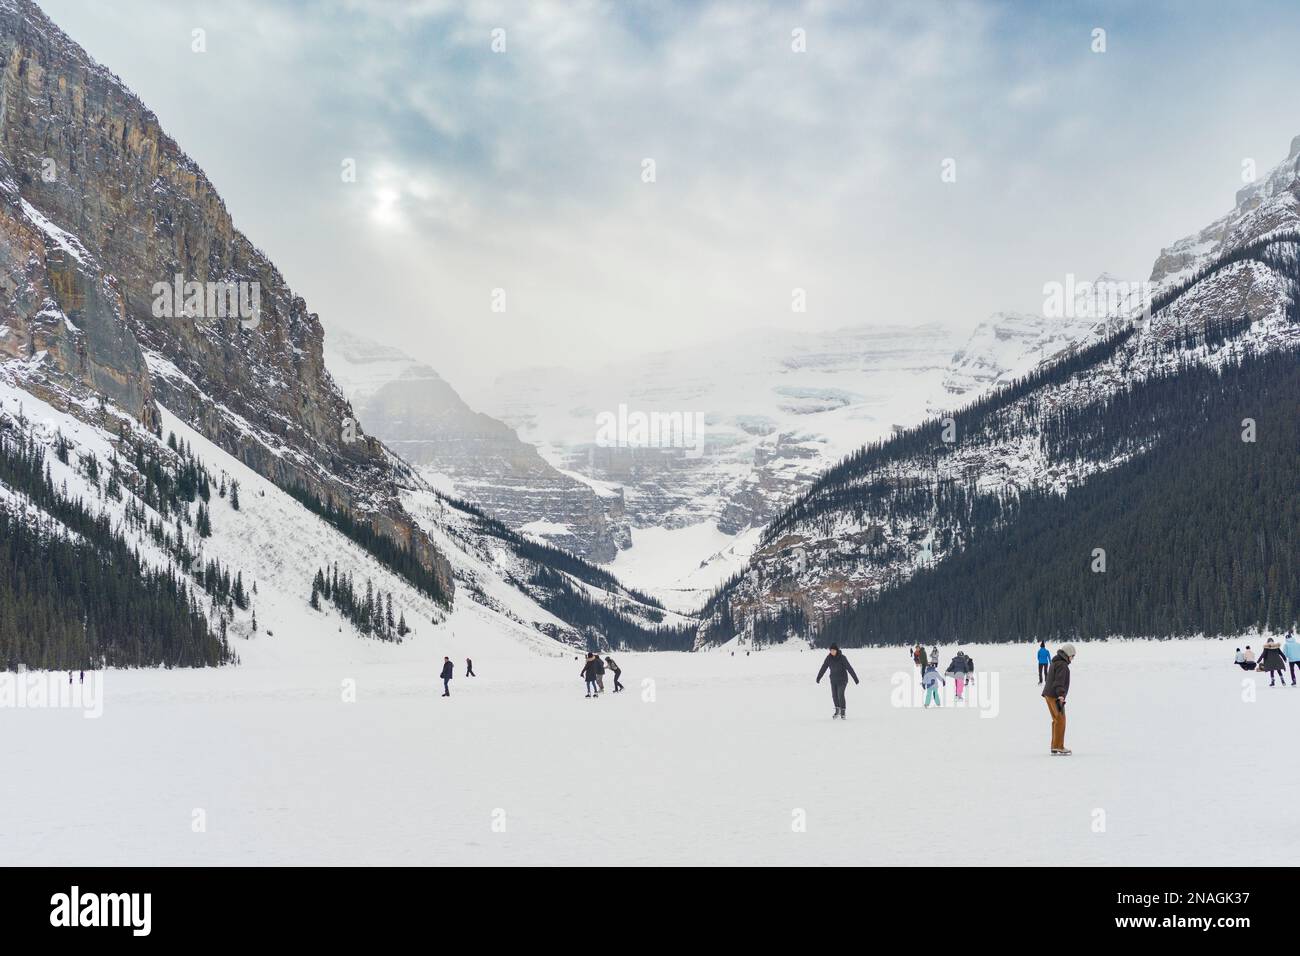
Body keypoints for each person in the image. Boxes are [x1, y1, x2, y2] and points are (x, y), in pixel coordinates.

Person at [1042, 643, 1075, 755]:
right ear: (1068, 654)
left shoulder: (1055, 662)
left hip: (1048, 694)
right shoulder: (1062, 665)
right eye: (1072, 656)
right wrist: (1061, 695)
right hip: (1055, 695)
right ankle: (1058, 746)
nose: (1073, 658)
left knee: (1056, 720)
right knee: (1061, 720)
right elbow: (1059, 682)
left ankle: (1055, 746)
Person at [815, 643, 859, 719]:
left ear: (836, 650)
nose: (832, 652)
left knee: (840, 694)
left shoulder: (842, 658)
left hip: (842, 679)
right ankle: (837, 710)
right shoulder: (828, 658)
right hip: (833, 680)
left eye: (833, 650)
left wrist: (855, 678)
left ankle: (843, 712)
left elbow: (849, 668)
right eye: (830, 650)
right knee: (834, 696)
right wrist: (819, 677)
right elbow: (823, 668)